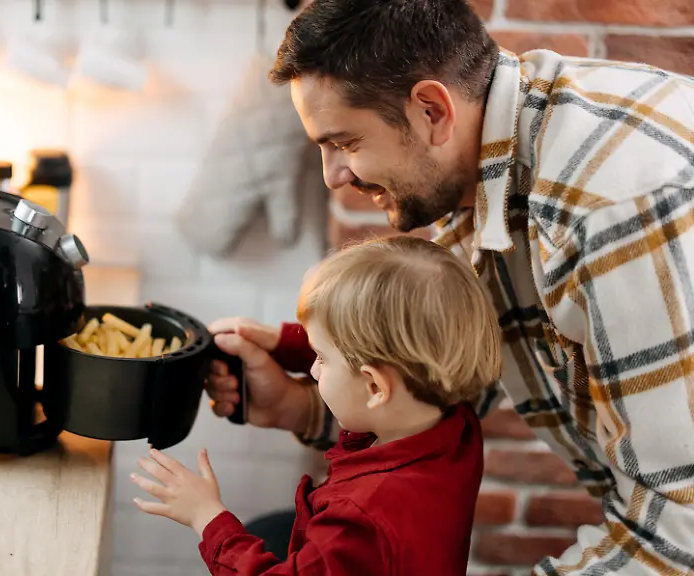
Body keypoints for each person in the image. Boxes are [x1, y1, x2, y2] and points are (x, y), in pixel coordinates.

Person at [205, 0, 694, 574]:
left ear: (432, 110)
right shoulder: (479, 165)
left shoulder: (612, 214)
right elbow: (441, 378)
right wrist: (298, 406)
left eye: (345, 143)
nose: (333, 177)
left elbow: (675, 535)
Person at [130, 236, 503, 575]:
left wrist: (207, 516)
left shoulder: (356, 522)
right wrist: (280, 341)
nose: (311, 366)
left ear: (374, 386)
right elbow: (372, 357)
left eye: (320, 357)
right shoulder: (454, 422)